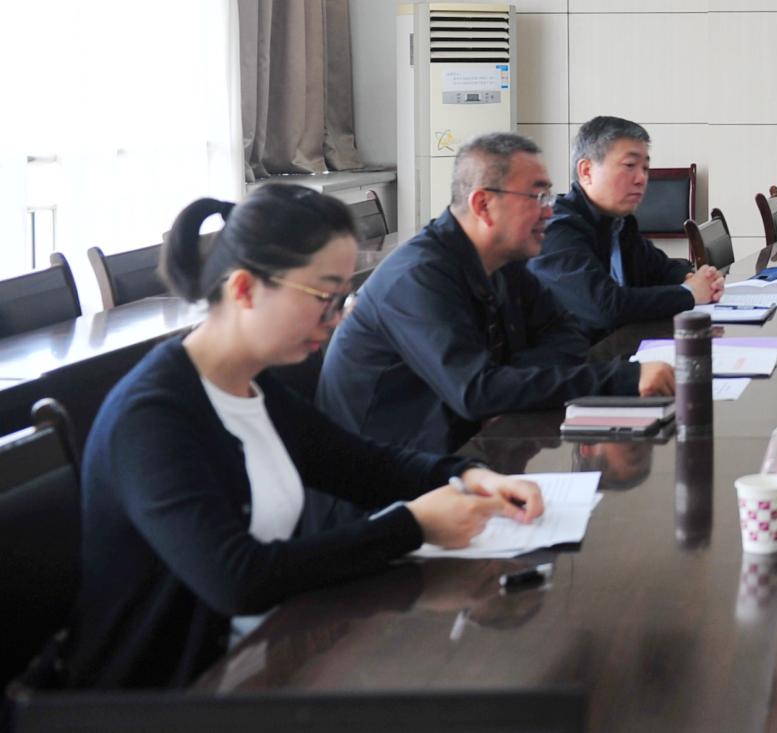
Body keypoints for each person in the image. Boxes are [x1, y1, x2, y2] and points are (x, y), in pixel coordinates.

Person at [63, 186, 543, 689]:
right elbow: (238, 579)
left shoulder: (252, 387)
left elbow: (365, 467)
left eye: (341, 300)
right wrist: (413, 526)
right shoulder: (151, 418)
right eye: (324, 298)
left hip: (266, 663)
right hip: (164, 700)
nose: (335, 320)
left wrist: (469, 474)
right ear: (245, 289)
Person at [318, 132, 673, 461]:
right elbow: (476, 392)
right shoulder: (418, 277)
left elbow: (566, 333)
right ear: (483, 204)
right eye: (537, 197)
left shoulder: (504, 261)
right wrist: (623, 378)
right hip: (385, 476)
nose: (549, 210)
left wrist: (506, 386)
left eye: (549, 197)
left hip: (467, 451)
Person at [530, 116, 725, 341]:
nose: (642, 178)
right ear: (586, 171)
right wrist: (689, 293)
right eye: (630, 166)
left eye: (645, 168)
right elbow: (604, 307)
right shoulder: (556, 229)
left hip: (617, 348)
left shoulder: (618, 222)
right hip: (575, 357)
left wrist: (695, 278)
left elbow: (659, 269)